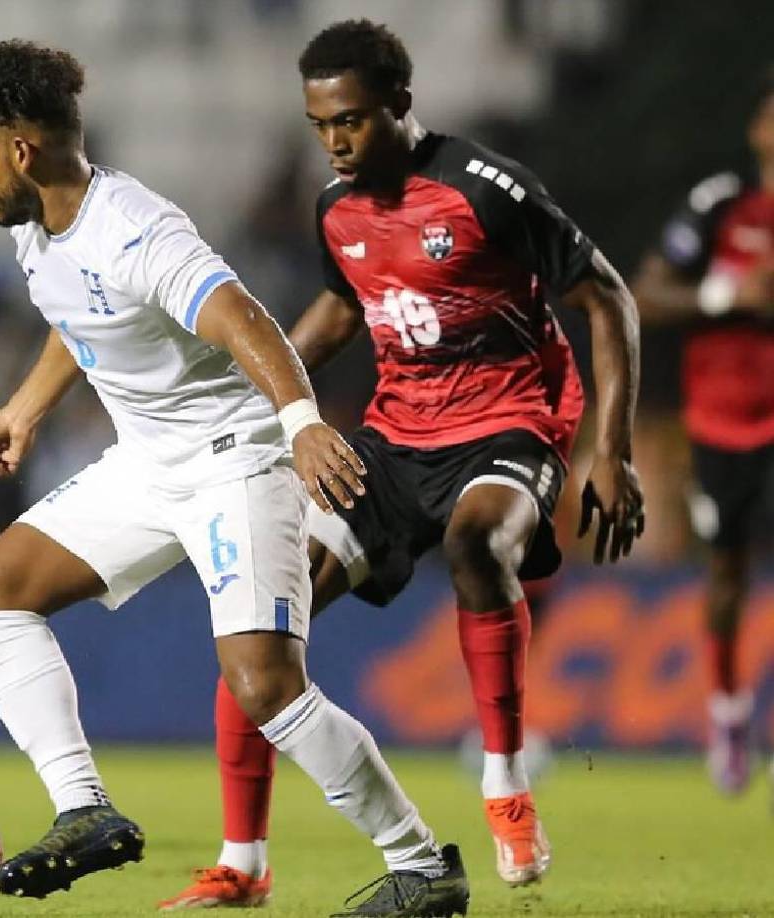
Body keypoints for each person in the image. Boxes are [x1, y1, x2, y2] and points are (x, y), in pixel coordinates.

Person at [0, 40, 470, 918]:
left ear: (20, 150)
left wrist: (300, 425)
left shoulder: (136, 230)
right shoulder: (40, 228)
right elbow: (78, 319)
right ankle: (85, 809)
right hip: (150, 465)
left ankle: (421, 866)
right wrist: (26, 410)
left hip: (234, 462)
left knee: (265, 687)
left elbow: (245, 320)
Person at [158, 19, 644, 908]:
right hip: (392, 440)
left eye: (350, 120)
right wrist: (260, 398)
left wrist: (610, 448)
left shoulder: (485, 189)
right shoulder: (336, 211)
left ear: (400, 107)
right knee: (262, 621)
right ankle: (243, 862)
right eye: (320, 125)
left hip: (508, 424)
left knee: (475, 546)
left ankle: (504, 782)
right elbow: (345, 313)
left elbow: (606, 296)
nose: (334, 142)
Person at [631, 75, 774, 795]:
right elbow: (646, 292)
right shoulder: (721, 204)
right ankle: (727, 709)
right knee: (728, 569)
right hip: (728, 420)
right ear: (760, 129)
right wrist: (726, 294)